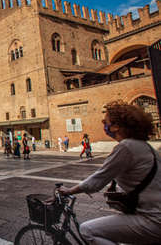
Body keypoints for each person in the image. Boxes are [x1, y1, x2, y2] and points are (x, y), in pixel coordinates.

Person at [59, 100, 161, 244]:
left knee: (87, 230)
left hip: (152, 219)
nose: (104, 126)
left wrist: (68, 191)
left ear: (116, 126)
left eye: (105, 122)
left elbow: (97, 180)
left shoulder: (126, 147)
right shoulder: (146, 147)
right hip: (153, 214)